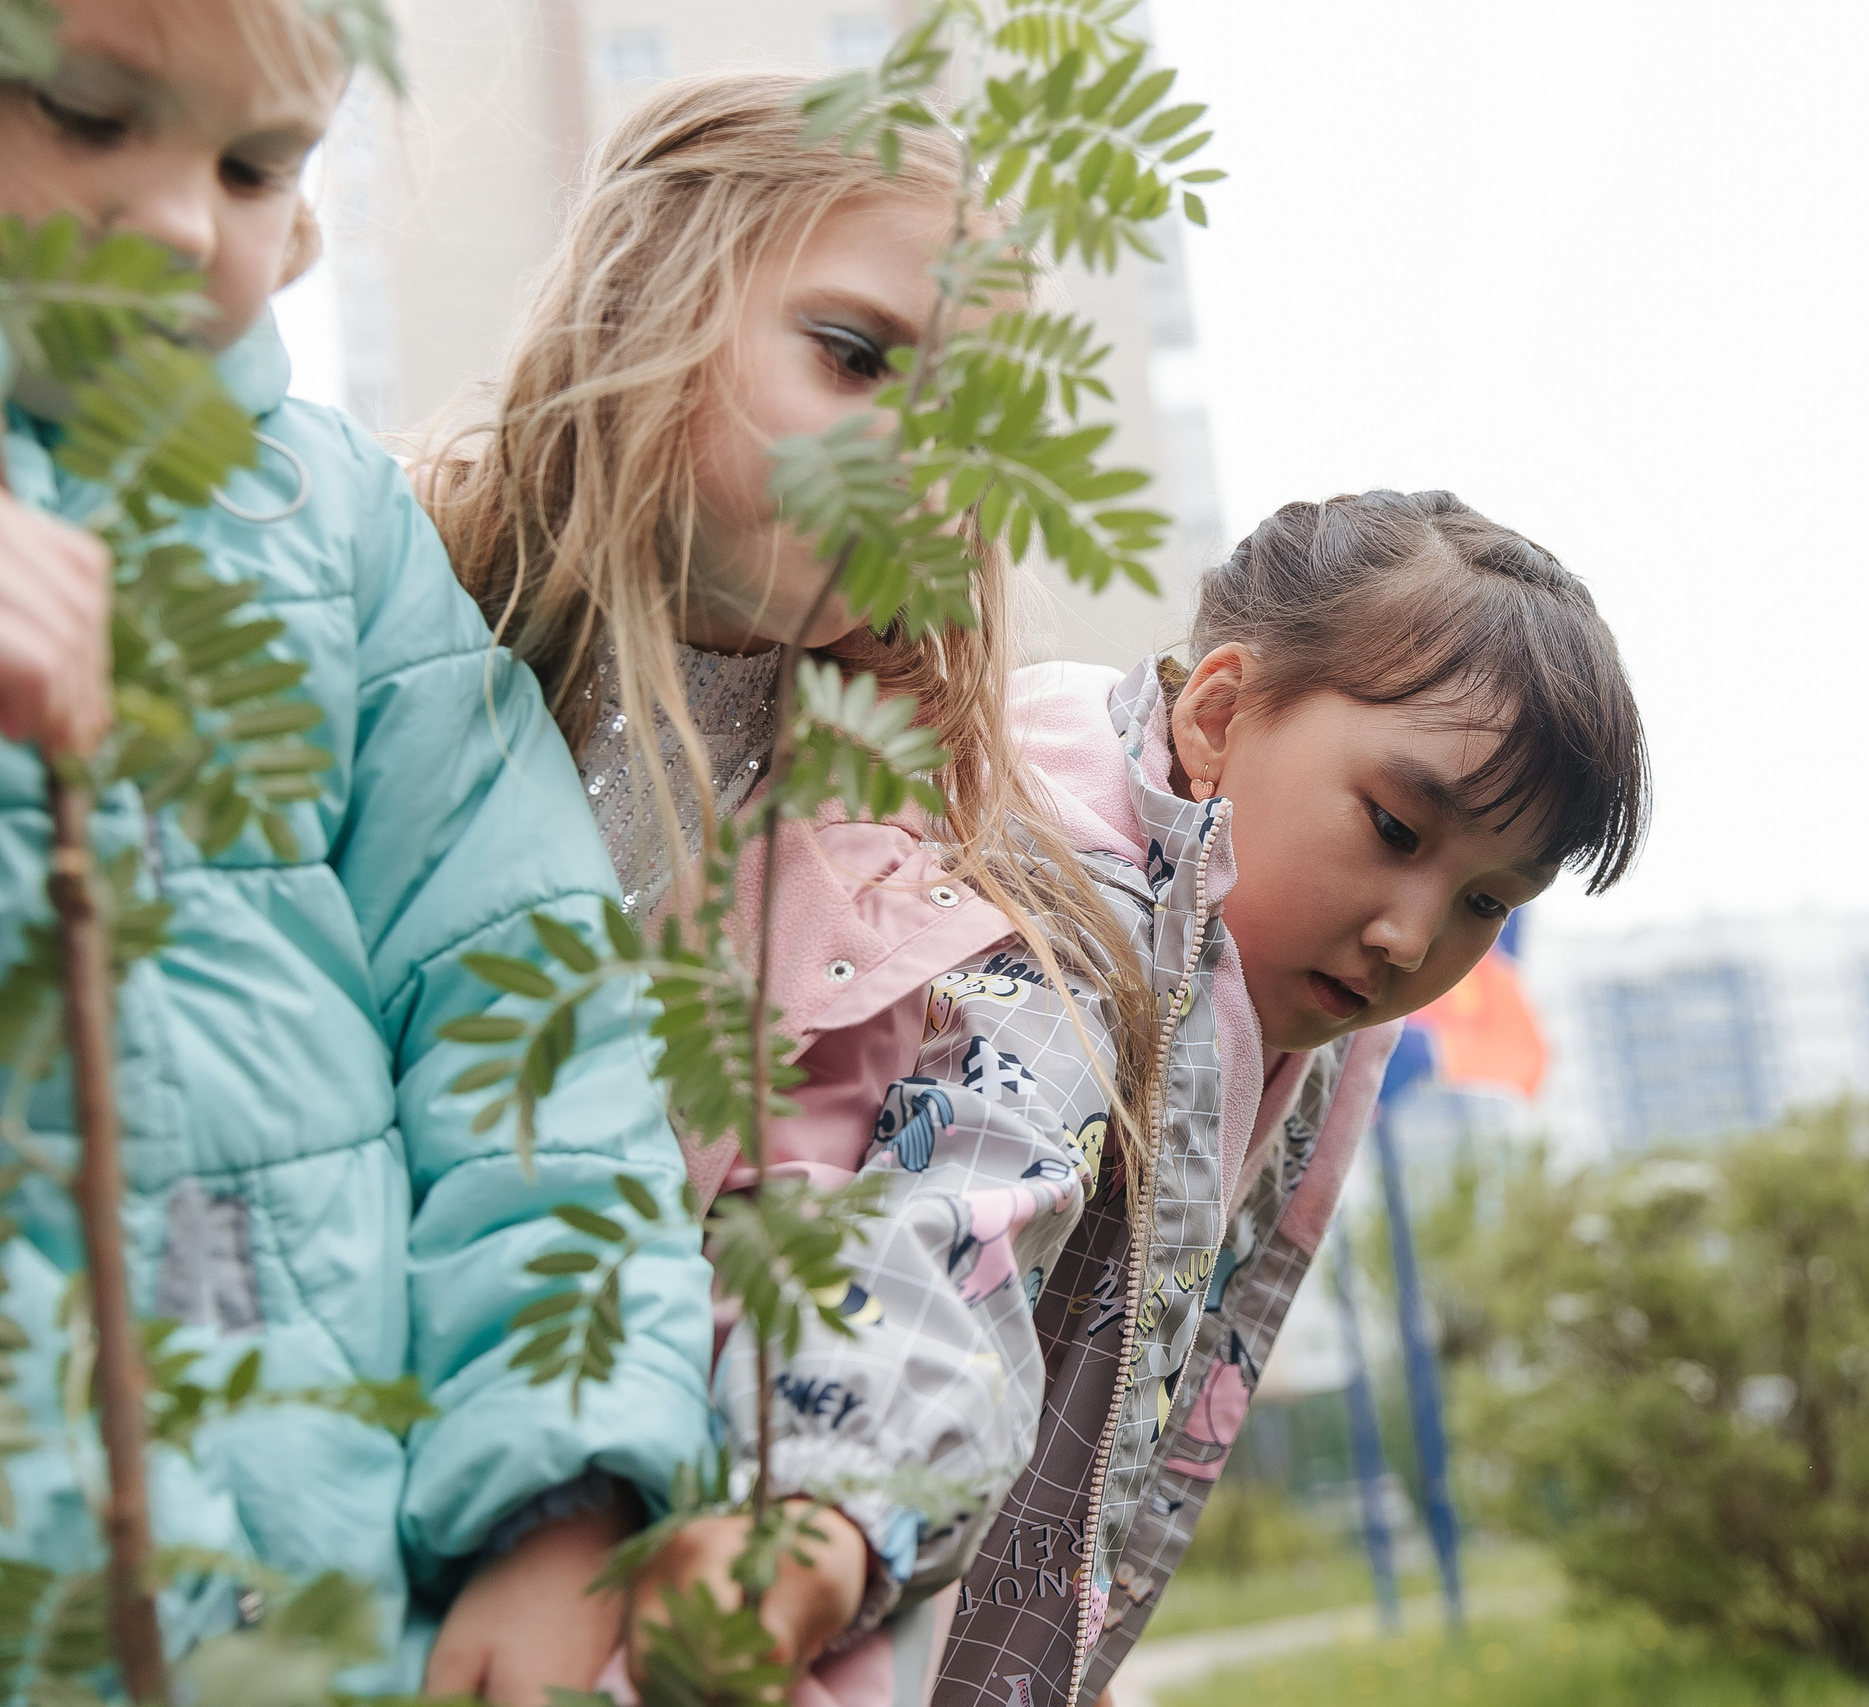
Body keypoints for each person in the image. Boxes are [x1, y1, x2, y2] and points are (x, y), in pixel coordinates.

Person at [416, 73, 1162, 1703]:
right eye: (856, 355)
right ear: (645, 292)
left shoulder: (905, 874)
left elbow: (906, 1243)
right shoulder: (369, 651)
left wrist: (803, 1524)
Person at [0, 4, 714, 1701]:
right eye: (88, 115)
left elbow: (525, 1012)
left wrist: (561, 1491)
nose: (183, 222)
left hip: (336, 1608)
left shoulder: (330, 528)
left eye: (255, 165)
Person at [931, 490, 1649, 1707]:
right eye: (1395, 827)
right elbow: (924, 1265)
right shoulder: (1064, 940)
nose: (1410, 935)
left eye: (1486, 901)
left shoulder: (1272, 1016)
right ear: (1217, 716)